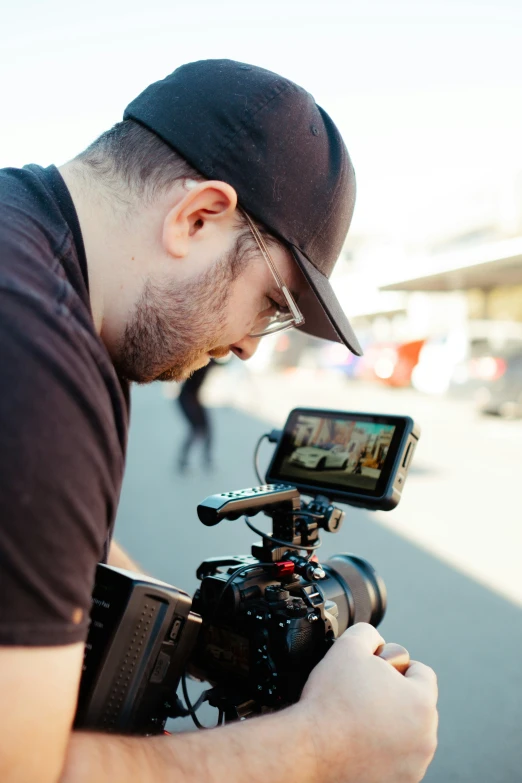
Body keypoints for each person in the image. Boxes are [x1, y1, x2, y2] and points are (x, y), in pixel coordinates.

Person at [0, 59, 438, 783]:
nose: (245, 346)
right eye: (274, 305)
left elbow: (34, 528)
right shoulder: (36, 356)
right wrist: (325, 745)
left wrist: (195, 632)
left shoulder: (26, 241)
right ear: (198, 215)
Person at [176, 360, 216, 471]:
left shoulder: (209, 361)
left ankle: (207, 459)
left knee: (207, 429)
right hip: (187, 398)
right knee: (196, 430)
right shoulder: (202, 362)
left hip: (194, 398)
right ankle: (183, 461)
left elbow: (221, 364)